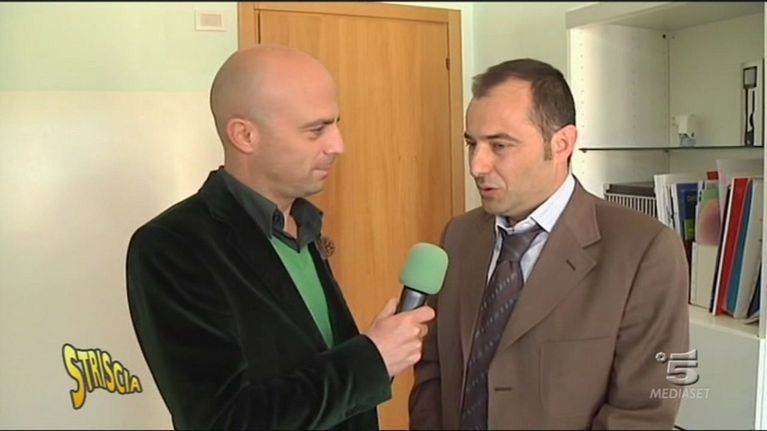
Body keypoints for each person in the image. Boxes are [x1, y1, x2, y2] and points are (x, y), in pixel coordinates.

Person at [126, 45, 435, 430]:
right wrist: (371, 359)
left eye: (336, 124)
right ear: (245, 135)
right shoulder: (173, 247)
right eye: (316, 130)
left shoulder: (304, 226)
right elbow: (225, 421)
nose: (338, 146)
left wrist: (377, 357)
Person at [409, 58, 690, 429]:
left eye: (500, 145)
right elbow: (434, 370)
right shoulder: (458, 237)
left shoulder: (644, 252)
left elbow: (642, 414)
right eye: (472, 143)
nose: (477, 165)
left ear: (562, 144)